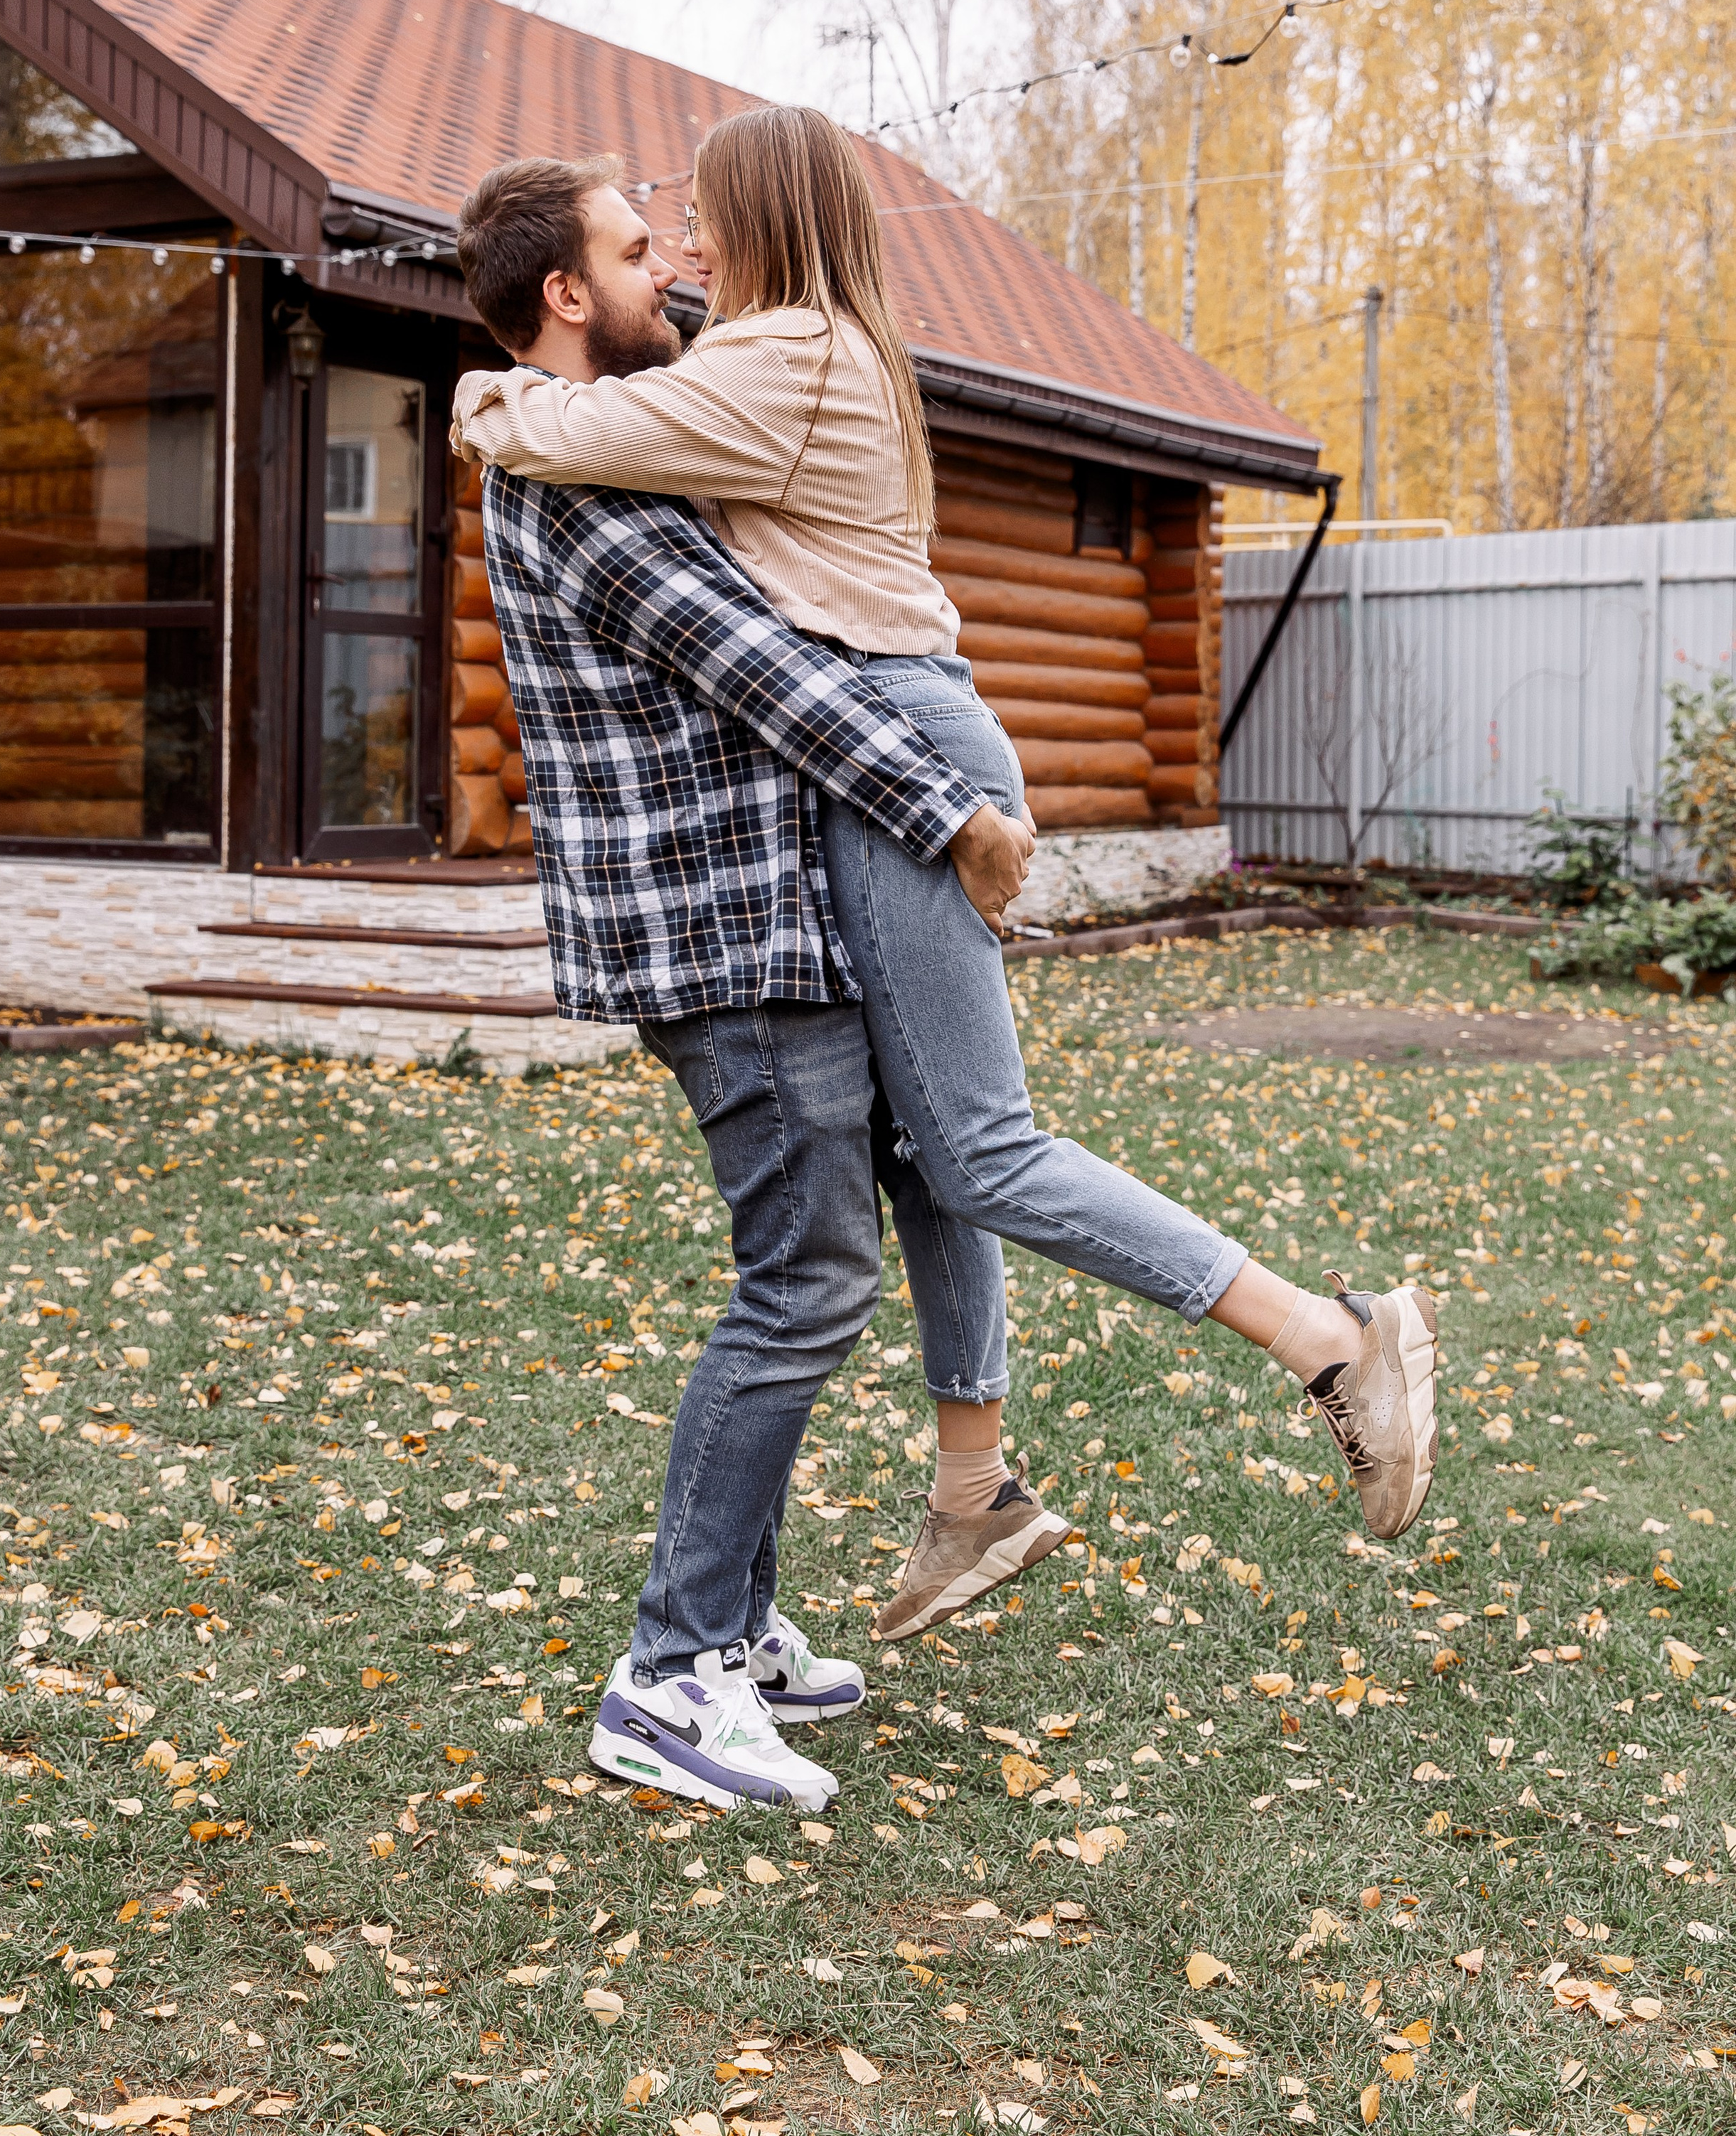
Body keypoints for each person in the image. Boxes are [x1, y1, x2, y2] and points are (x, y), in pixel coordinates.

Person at [452, 107, 1442, 1636]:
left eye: (699, 221)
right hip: (904, 727)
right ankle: (972, 1490)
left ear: (765, 222)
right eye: (653, 240)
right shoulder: (802, 334)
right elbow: (679, 364)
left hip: (891, 741)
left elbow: (570, 433)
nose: (686, 252)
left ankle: (1326, 1337)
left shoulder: (774, 362)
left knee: (978, 1148)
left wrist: (484, 399)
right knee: (927, 1151)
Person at [451, 153, 1064, 1816]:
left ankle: (731, 1623)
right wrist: (955, 817)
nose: (679, 280)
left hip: (759, 923)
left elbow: (742, 360)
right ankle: (669, 1673)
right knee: (801, 1284)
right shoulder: (590, 492)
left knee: (803, 1268)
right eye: (642, 255)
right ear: (569, 293)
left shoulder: (620, 434)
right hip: (725, 938)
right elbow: (779, 682)